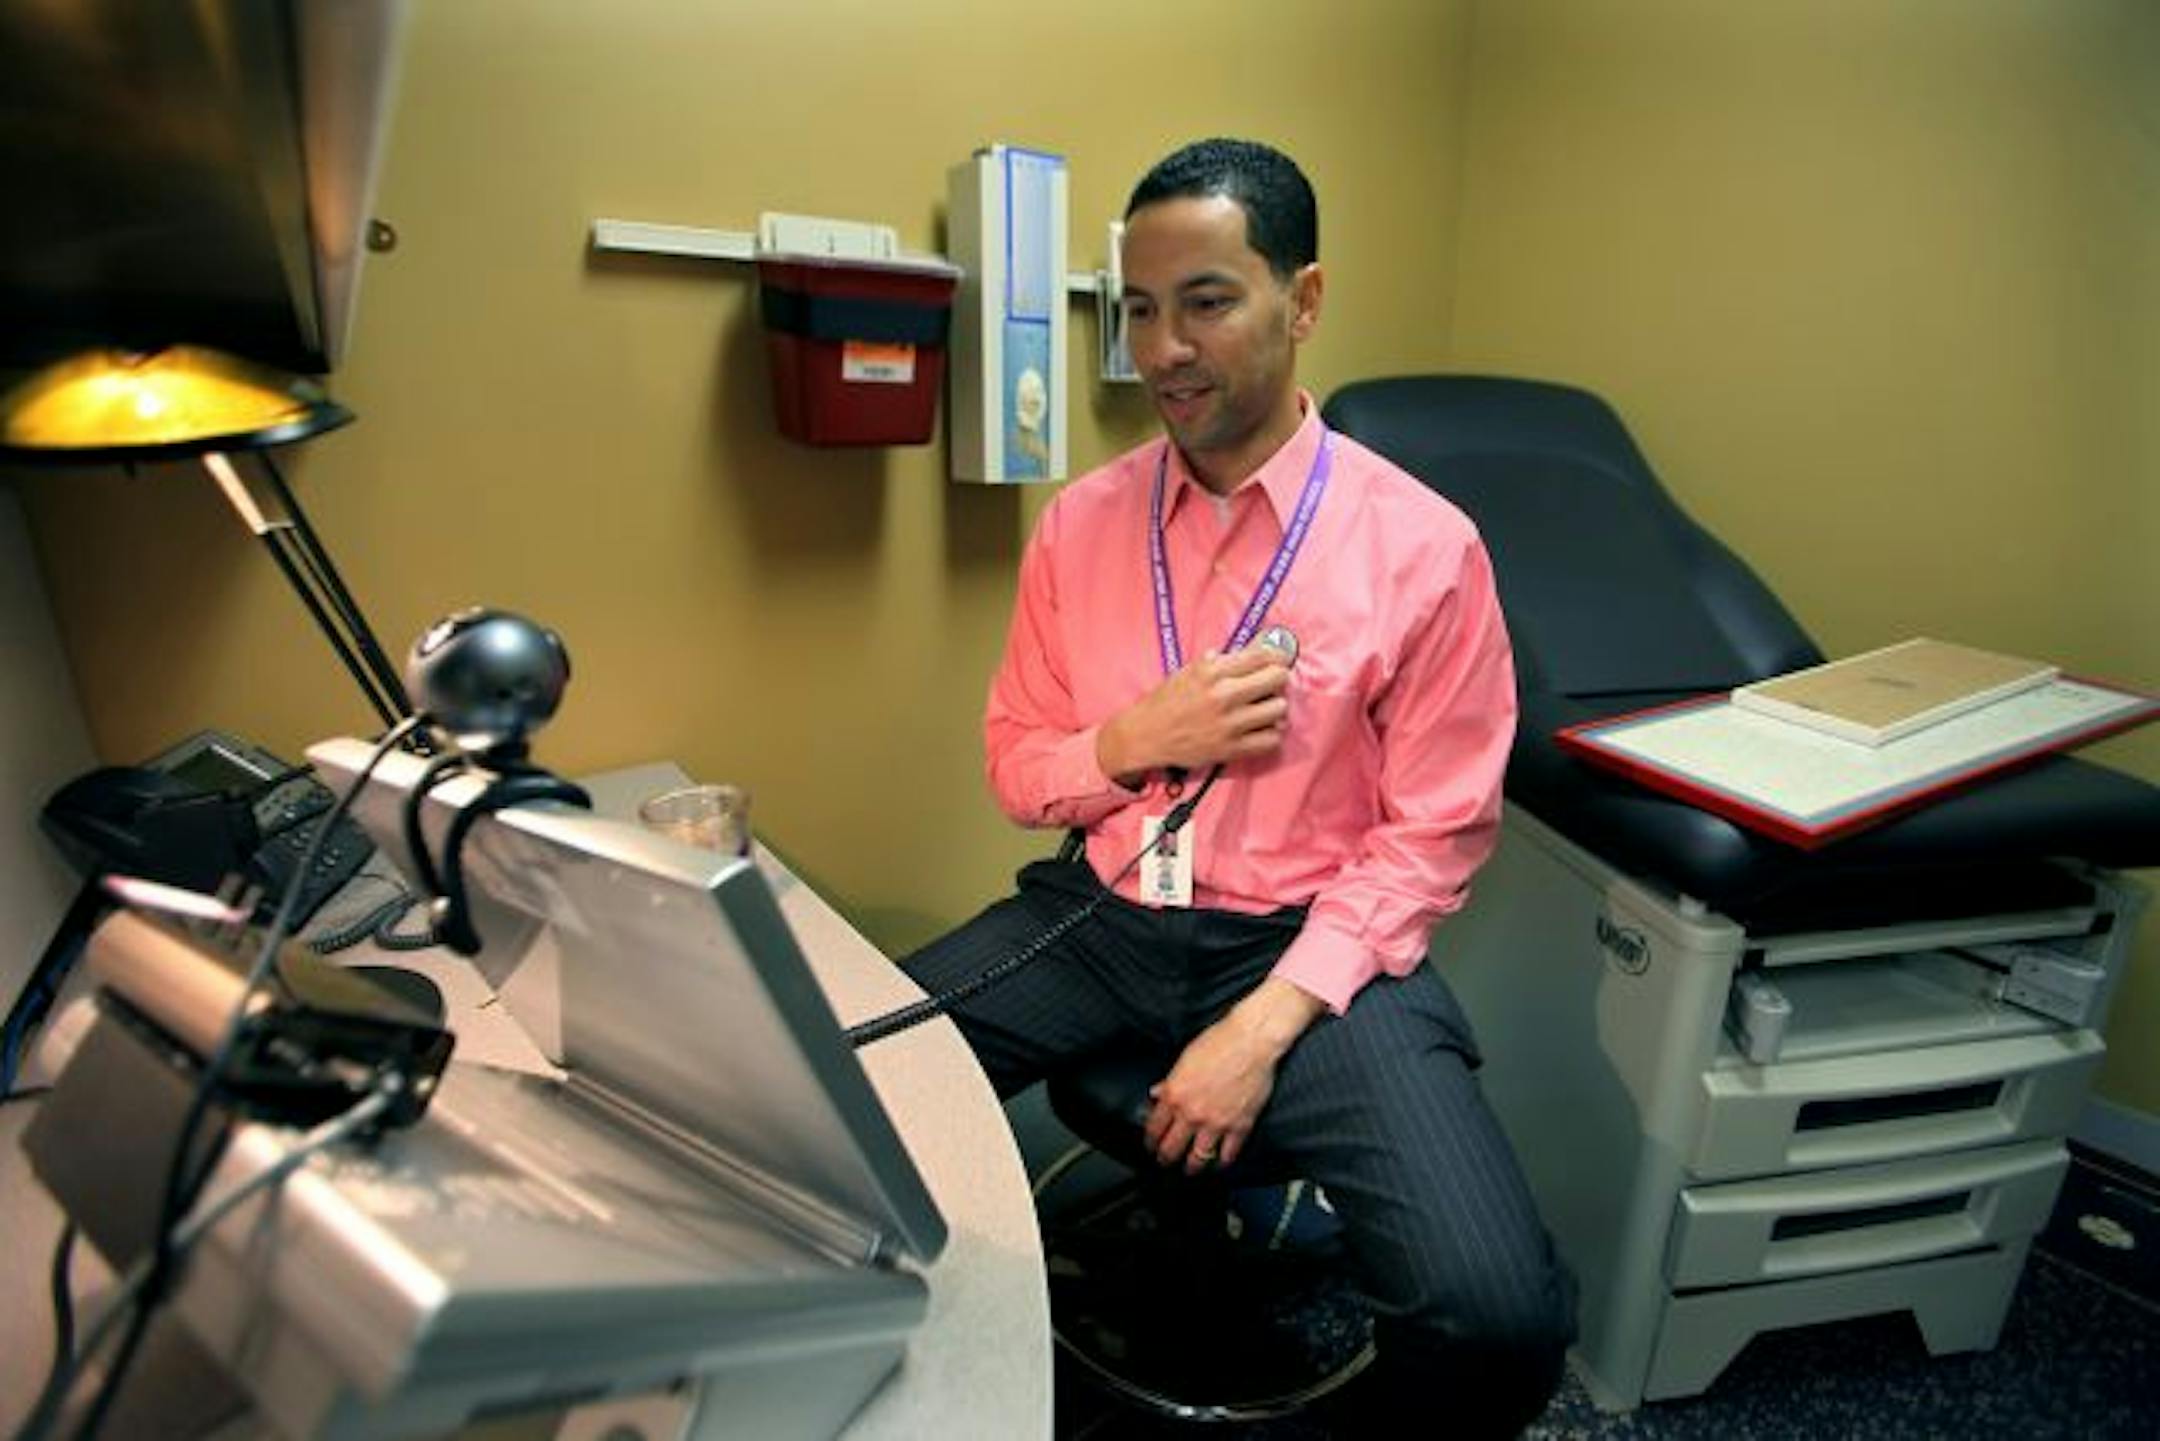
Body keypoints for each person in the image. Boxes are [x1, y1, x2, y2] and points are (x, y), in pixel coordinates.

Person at [902, 137, 1576, 1437]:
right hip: (1102, 916)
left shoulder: (1423, 548)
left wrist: (1259, 1030)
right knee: (831, 1091)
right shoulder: (1081, 526)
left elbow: (1433, 837)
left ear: (1302, 300)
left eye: (1206, 302)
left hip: (1312, 946)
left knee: (1497, 1318)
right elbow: (1018, 770)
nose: (1164, 349)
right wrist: (1128, 739)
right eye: (1138, 310)